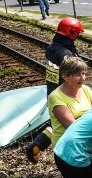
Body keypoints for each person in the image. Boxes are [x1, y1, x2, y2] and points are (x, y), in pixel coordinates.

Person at [26, 17, 86, 163]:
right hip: (64, 93)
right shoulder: (66, 54)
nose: (78, 36)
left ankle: (37, 145)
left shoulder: (53, 47)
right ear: (71, 33)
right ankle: (65, 155)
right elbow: (72, 74)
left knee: (55, 123)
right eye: (77, 33)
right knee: (70, 125)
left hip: (52, 90)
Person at [47, 56, 92, 178]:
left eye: (83, 73)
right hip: (69, 148)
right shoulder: (56, 97)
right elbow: (72, 126)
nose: (82, 78)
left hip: (90, 143)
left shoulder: (86, 90)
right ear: (65, 76)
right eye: (77, 75)